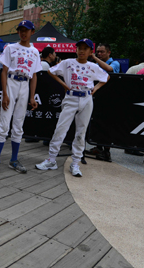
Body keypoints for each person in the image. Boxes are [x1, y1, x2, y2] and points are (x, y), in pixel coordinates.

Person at [36, 38, 109, 177]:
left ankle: (75, 163)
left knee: (81, 132)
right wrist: (64, 85)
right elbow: (51, 72)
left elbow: (106, 77)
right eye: (79, 48)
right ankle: (51, 159)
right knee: (61, 128)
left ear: (90, 51)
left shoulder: (92, 66)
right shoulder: (68, 63)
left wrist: (96, 88)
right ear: (76, 49)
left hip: (86, 98)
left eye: (85, 48)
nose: (81, 50)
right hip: (71, 97)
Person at [0, 20, 41, 175]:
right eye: (21, 30)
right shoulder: (10, 47)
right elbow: (3, 71)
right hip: (11, 82)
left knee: (18, 125)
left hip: (24, 85)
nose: (23, 33)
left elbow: (34, 75)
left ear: (32, 32)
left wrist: (32, 97)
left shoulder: (35, 51)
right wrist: (5, 93)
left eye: (26, 30)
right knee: (4, 124)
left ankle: (13, 160)